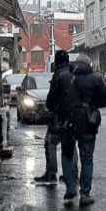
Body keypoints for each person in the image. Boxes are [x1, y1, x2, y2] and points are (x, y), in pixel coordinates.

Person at [46, 54, 106, 206]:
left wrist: (61, 111)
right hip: (88, 123)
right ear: (89, 65)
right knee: (87, 157)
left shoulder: (63, 77)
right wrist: (91, 105)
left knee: (67, 155)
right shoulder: (96, 78)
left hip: (67, 122)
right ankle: (85, 193)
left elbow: (50, 102)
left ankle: (70, 190)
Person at [35, 51, 71, 186]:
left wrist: (50, 108)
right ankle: (71, 174)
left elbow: (51, 98)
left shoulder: (59, 75)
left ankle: (51, 173)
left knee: (50, 143)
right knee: (70, 146)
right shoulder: (73, 73)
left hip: (58, 117)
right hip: (72, 117)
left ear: (57, 62)